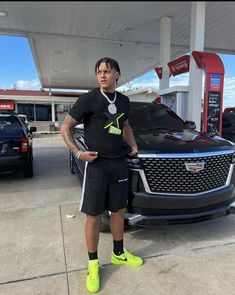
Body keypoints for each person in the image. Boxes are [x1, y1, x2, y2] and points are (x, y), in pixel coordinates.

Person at [60, 57, 143, 293]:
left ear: (117, 73)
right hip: (96, 166)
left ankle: (118, 253)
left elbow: (125, 126)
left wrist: (133, 145)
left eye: (107, 71)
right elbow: (65, 128)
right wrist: (78, 153)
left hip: (119, 164)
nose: (102, 75)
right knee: (94, 216)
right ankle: (93, 264)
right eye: (99, 71)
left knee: (118, 211)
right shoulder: (88, 99)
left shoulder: (125, 101)